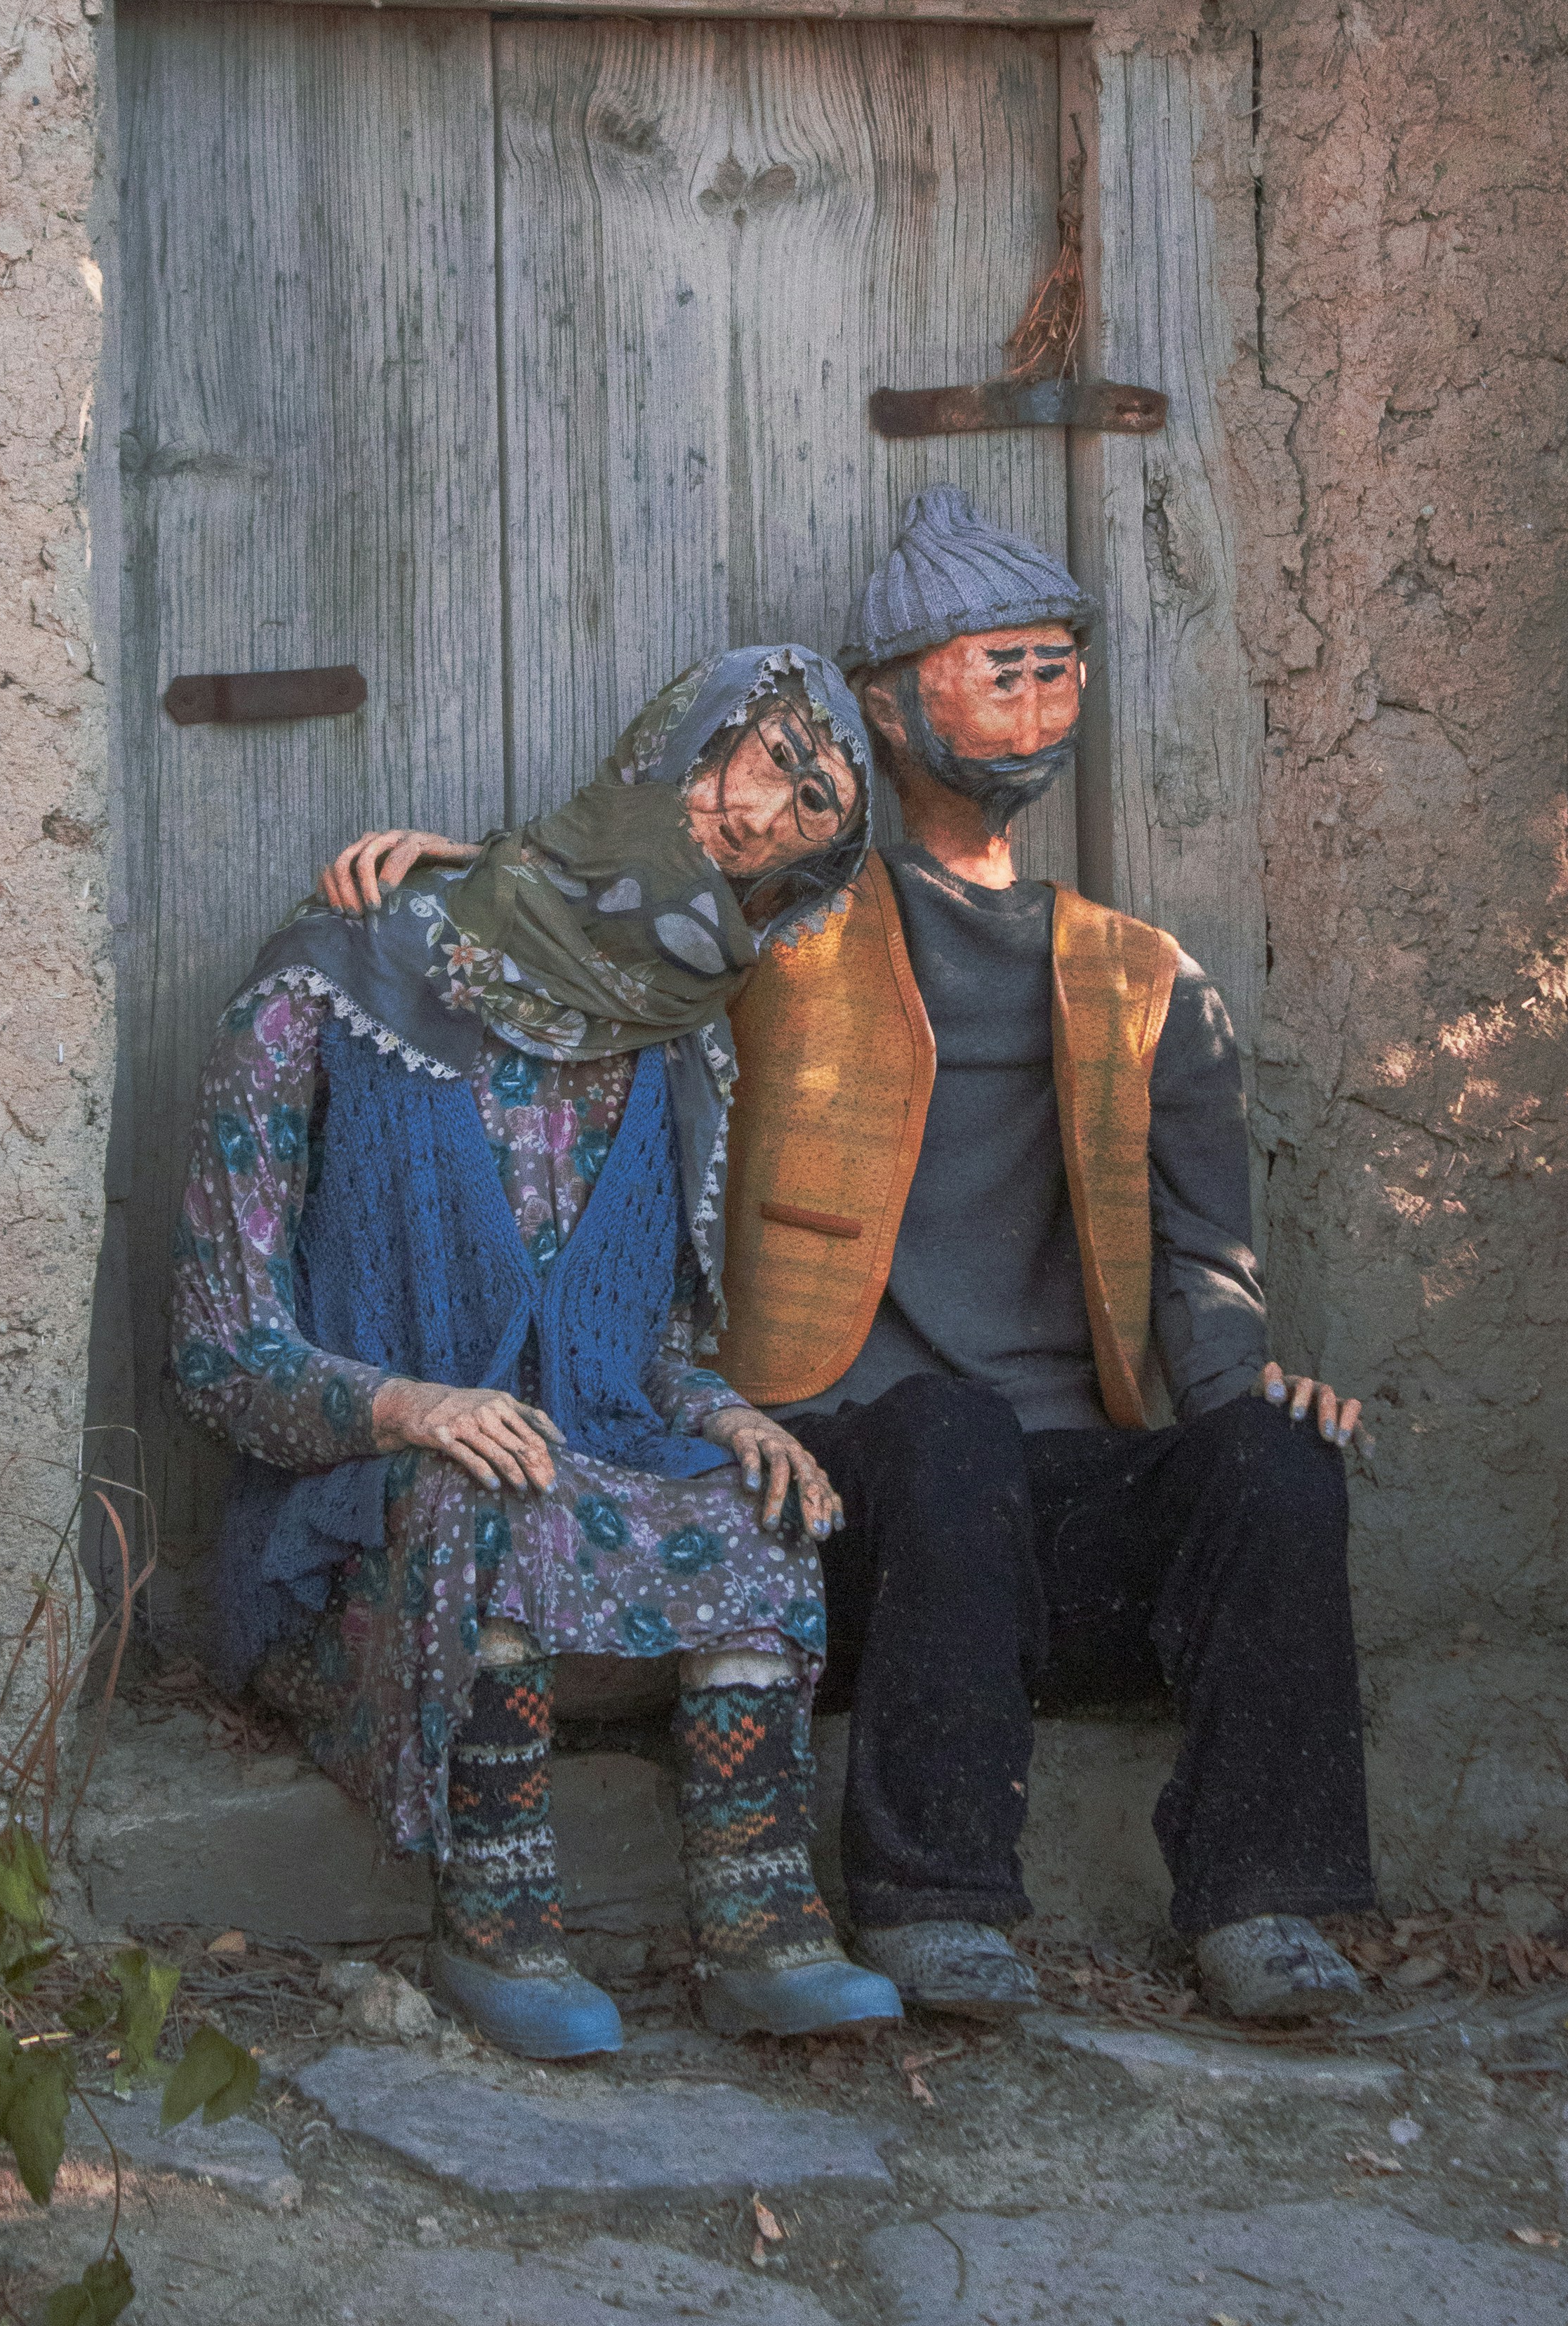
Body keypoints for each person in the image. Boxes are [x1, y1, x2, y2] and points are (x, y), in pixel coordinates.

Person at [328, 491, 1378, 2028]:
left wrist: (1248, 1389)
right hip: (831, 1500)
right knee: (946, 1437)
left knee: (1276, 1469)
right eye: (991, 665)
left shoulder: (1142, 975)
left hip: (1043, 1508)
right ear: (884, 705)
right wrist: (472, 880)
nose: (1033, 696)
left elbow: (1200, 1260)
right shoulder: (791, 925)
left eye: (1054, 664)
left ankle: (1264, 1895)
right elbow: (624, 918)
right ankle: (931, 1896)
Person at [168, 647, 903, 2059]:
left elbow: (655, 1360)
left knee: (754, 1515)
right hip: (354, 1525)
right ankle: (493, 1921)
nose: (758, 818)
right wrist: (403, 1402)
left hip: (584, 1502)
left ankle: (756, 1930)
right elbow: (217, 1347)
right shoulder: (341, 967)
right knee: (481, 1493)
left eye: (805, 814)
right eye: (767, 758)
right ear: (678, 731)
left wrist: (731, 1415)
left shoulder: (682, 1045)